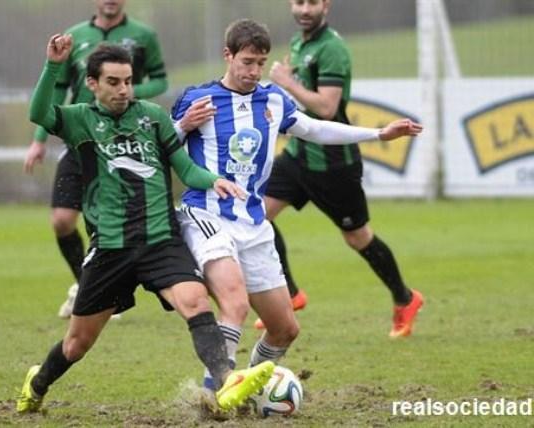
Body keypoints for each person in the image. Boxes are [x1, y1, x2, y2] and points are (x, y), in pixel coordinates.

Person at [17, 35, 275, 414]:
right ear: (92, 84)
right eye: (113, 82)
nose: (124, 90)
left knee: (195, 301)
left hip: (160, 240)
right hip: (111, 249)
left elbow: (183, 167)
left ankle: (225, 379)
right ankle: (37, 383)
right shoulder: (79, 120)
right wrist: (53, 65)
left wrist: (211, 180)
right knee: (77, 344)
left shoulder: (152, 117)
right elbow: (39, 113)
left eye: (128, 81)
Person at [171, 18, 422, 388]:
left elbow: (316, 128)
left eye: (260, 63)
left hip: (254, 225)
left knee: (285, 329)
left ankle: (253, 386)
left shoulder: (272, 99)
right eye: (246, 62)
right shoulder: (198, 100)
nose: (254, 71)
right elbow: (159, 145)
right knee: (235, 305)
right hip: (207, 215)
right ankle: (215, 392)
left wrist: (378, 133)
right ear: (228, 56)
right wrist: (181, 126)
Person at [263, 0, 424, 338]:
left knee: (357, 238)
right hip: (297, 155)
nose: (304, 9)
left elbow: (326, 107)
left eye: (312, 3)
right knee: (255, 217)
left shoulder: (332, 48)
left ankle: (405, 299)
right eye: (298, 2)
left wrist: (284, 81)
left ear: (326, 6)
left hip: (333, 163)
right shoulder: (299, 42)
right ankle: (290, 294)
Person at [24, 0, 169, 319]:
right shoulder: (74, 36)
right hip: (82, 140)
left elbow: (161, 80)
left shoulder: (143, 35)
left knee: (112, 221)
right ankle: (87, 287)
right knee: (62, 220)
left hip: (124, 144)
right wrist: (39, 140)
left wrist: (125, 89)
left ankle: (106, 290)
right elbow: (58, 92)